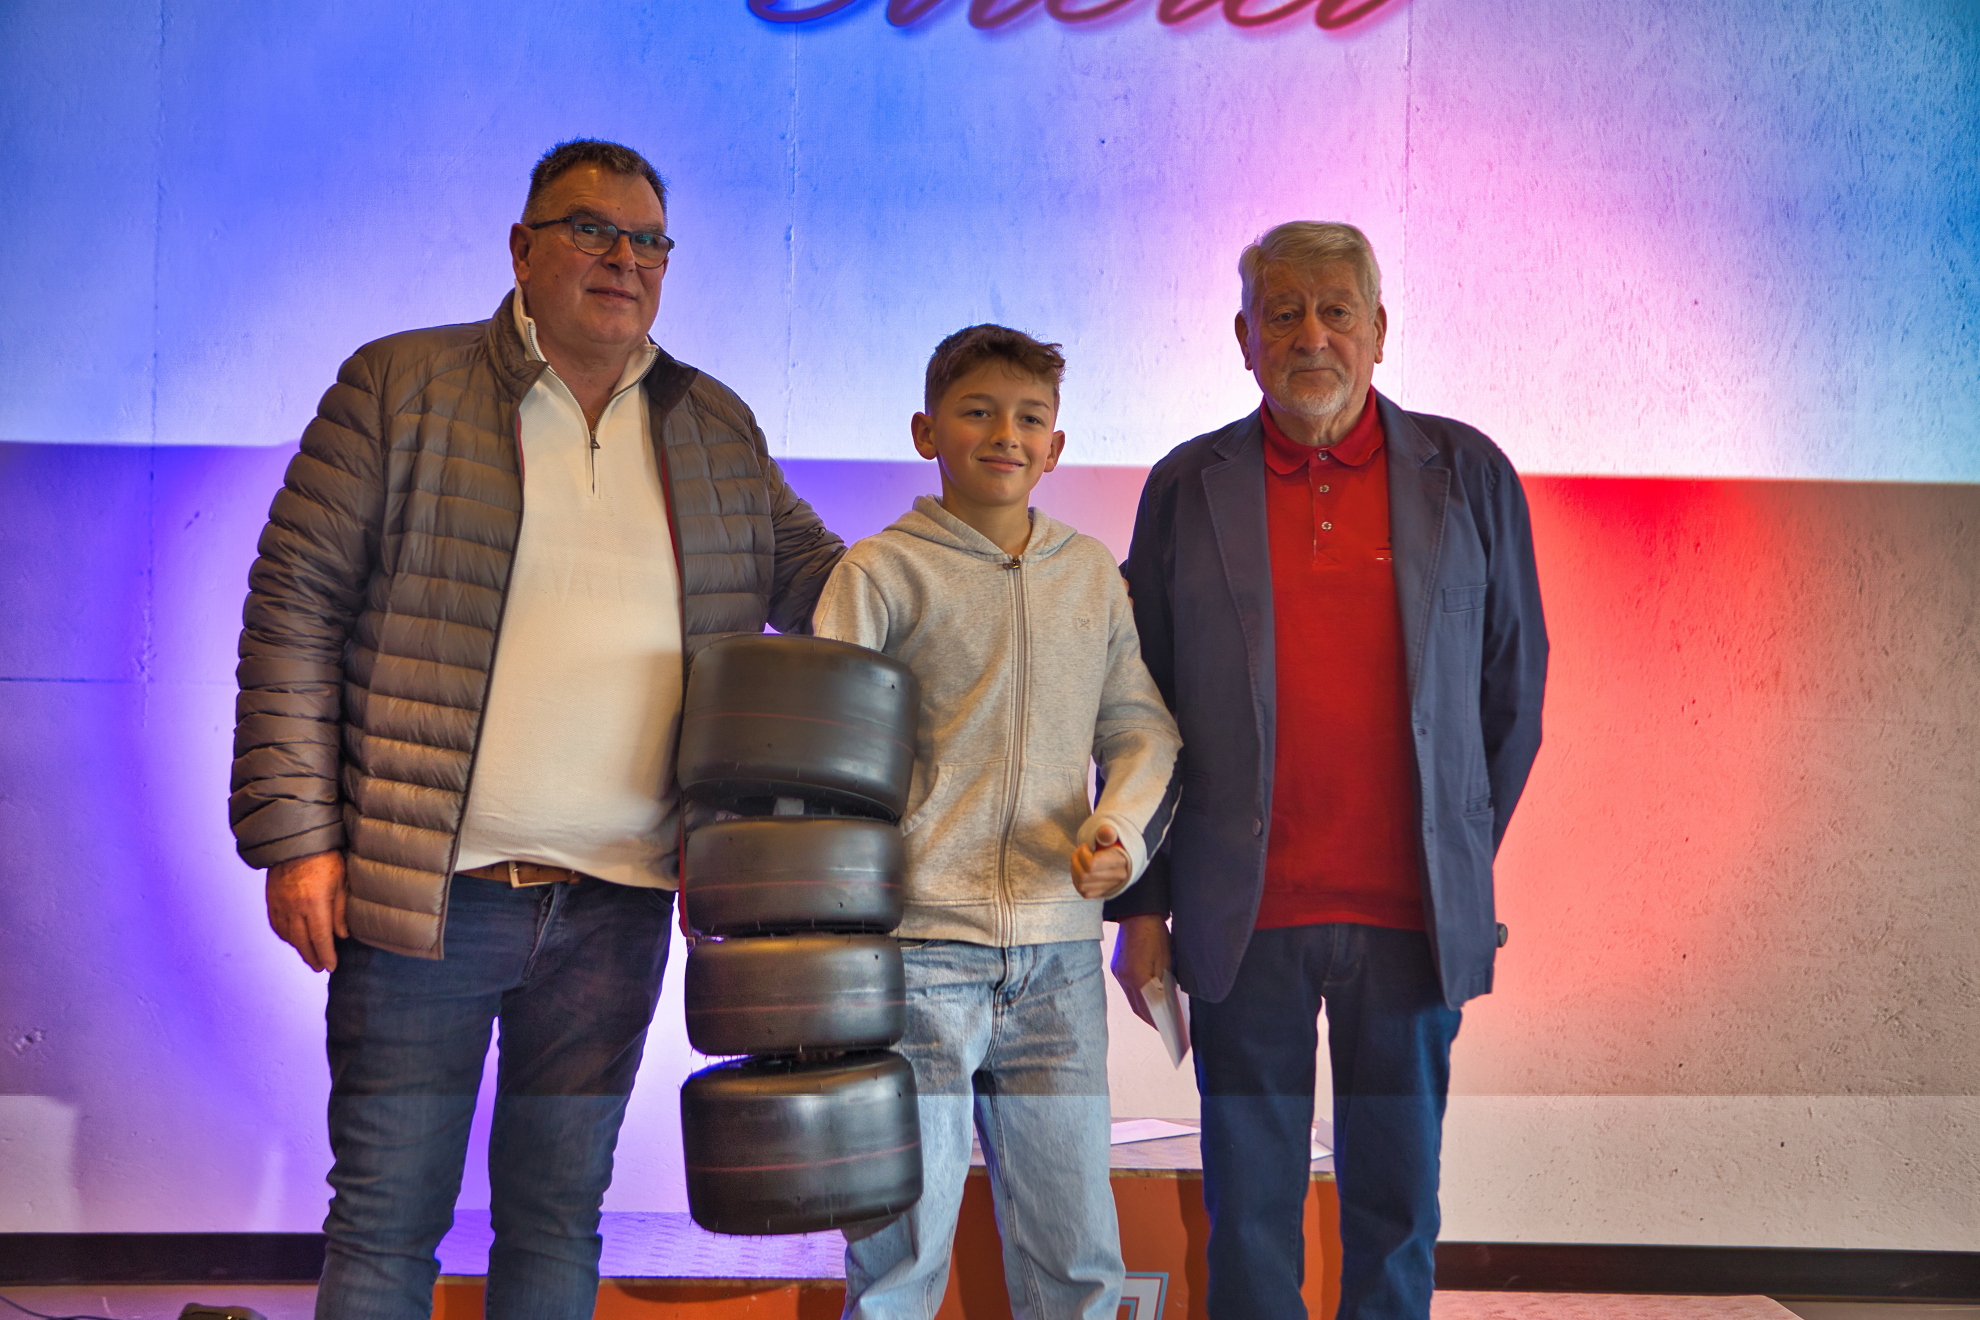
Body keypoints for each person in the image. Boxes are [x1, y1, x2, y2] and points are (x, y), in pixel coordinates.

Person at [229, 139, 844, 1319]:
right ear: (522, 248)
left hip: (620, 903)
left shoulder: (714, 420)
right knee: (386, 1222)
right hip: (427, 896)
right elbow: (294, 606)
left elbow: (821, 582)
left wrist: (975, 566)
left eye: (649, 240)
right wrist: (296, 838)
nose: (625, 258)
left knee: (559, 1220)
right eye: (591, 229)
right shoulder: (399, 385)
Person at [1105, 222, 1548, 1319]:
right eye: (1284, 313)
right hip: (1240, 914)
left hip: (1409, 921)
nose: (1312, 336)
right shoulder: (1186, 485)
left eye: (1337, 311)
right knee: (1250, 1214)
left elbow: (1514, 692)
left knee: (1396, 1211)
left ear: (1378, 330)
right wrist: (1144, 906)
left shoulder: (1469, 474)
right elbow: (1135, 709)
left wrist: (1450, 850)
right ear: (1244, 338)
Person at [812, 325, 1182, 1320]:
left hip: (1059, 961)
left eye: (1029, 417)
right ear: (926, 430)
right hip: (916, 954)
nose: (1004, 434)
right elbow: (823, 756)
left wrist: (1120, 832)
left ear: (1056, 446)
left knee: (1078, 1255)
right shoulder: (879, 574)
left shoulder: (1090, 574)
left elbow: (1141, 727)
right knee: (899, 1257)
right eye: (977, 411)